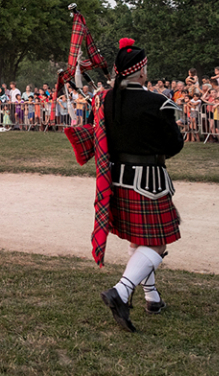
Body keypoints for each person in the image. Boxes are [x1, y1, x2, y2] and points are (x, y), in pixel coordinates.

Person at [66, 38, 184, 333]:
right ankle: (121, 291)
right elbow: (174, 144)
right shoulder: (157, 102)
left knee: (138, 240)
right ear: (141, 72)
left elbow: (96, 133)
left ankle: (152, 297)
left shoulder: (103, 100)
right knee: (156, 242)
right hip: (150, 181)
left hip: (116, 179)